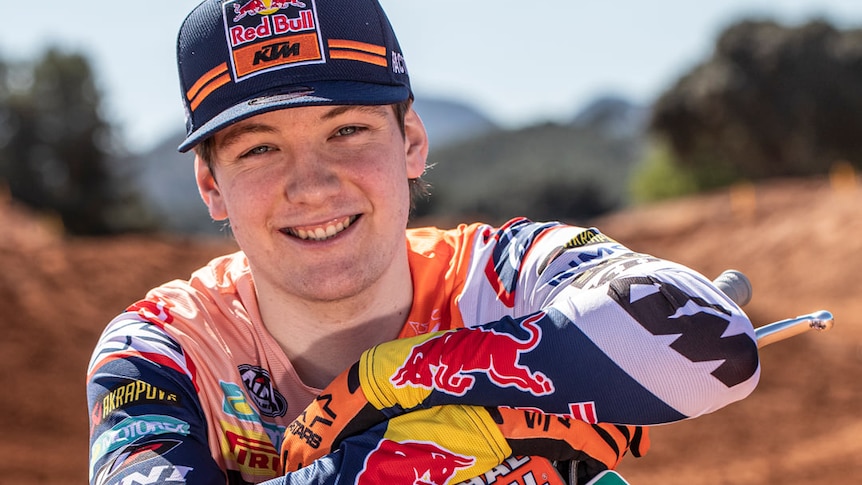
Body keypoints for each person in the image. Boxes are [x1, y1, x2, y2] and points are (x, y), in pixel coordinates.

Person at [86, 1, 761, 484]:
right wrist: (405, 455)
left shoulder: (506, 268)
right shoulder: (160, 347)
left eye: (347, 130)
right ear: (210, 185)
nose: (313, 185)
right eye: (260, 148)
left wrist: (388, 382)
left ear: (411, 141)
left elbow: (717, 346)